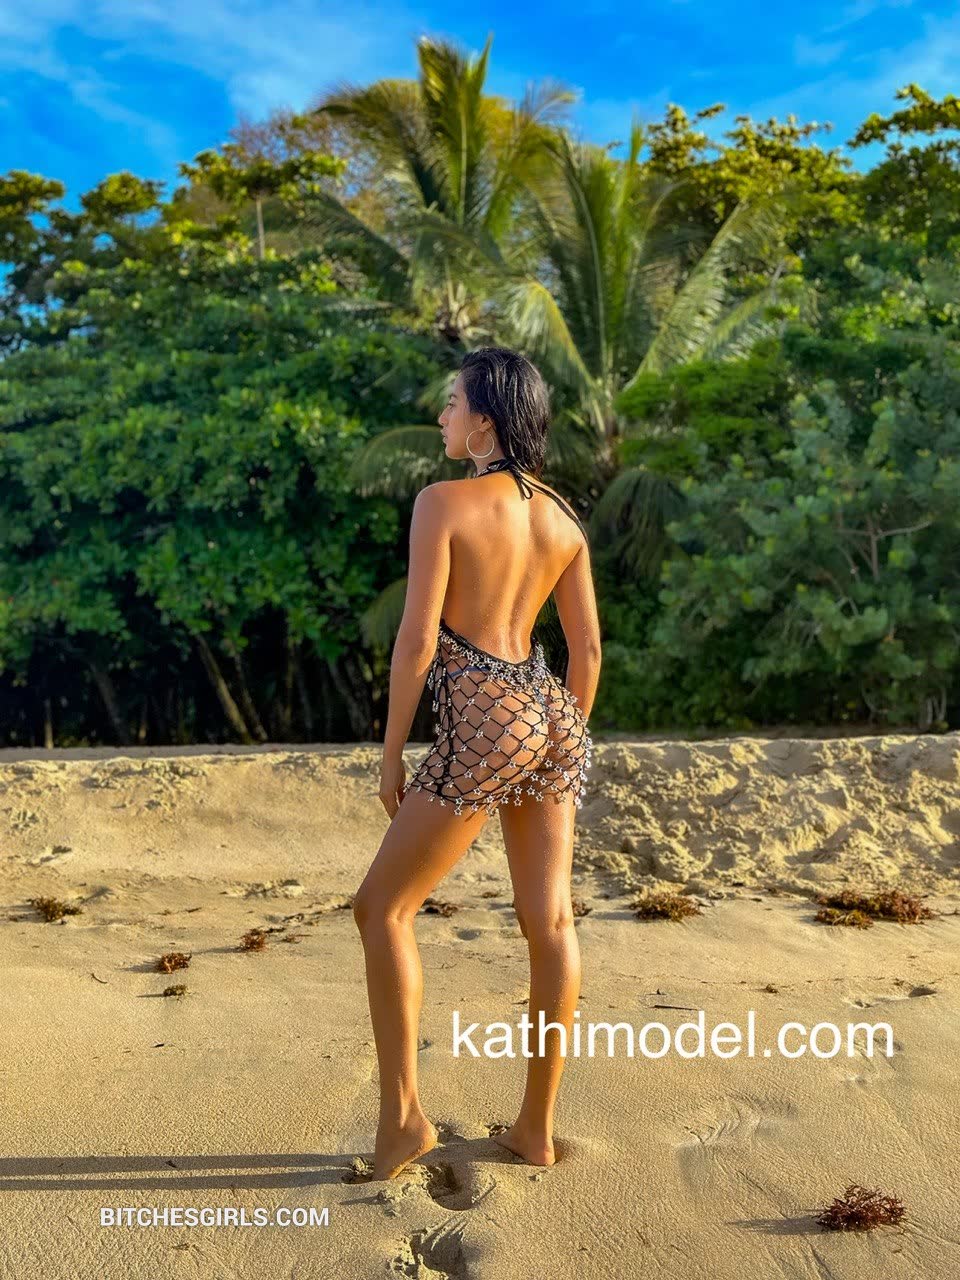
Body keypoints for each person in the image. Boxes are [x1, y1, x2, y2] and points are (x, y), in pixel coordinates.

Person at [351, 346, 602, 1181]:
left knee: (382, 909)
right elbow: (588, 652)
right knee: (552, 924)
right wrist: (555, 742)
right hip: (552, 713)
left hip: (488, 715)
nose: (442, 417)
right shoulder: (563, 519)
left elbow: (418, 641)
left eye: (453, 403)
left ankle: (402, 1123)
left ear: (486, 421)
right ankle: (535, 1130)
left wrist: (393, 751)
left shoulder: (443, 503)